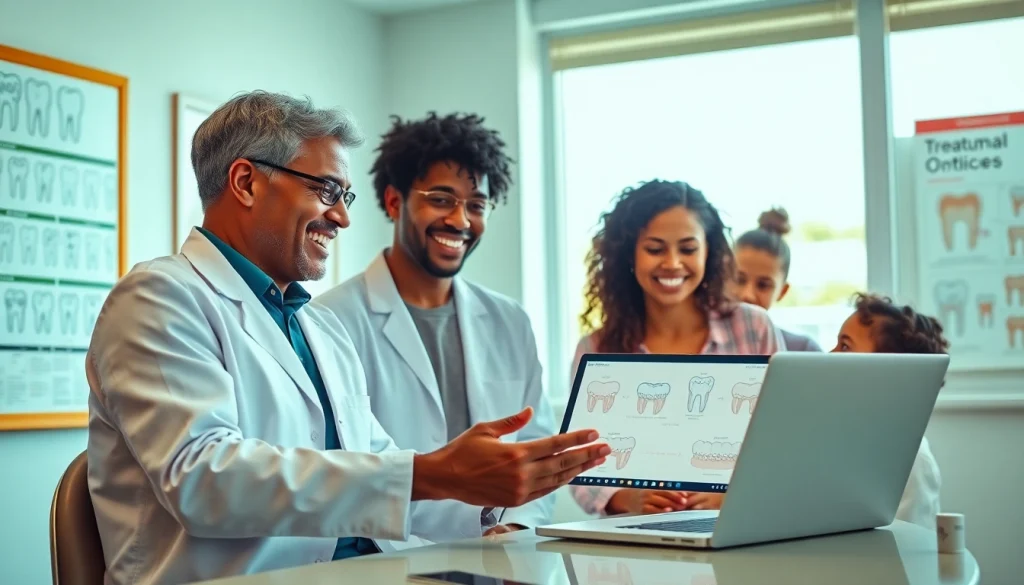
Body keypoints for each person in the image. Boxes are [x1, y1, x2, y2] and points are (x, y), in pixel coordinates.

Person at [85, 91, 609, 585]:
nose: (341, 216)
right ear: (245, 182)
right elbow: (202, 479)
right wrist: (432, 473)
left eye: (344, 195)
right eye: (326, 190)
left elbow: (378, 466)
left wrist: (486, 488)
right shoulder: (158, 297)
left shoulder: (315, 327)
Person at [316, 111, 555, 537]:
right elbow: (334, 467)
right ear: (394, 202)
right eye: (441, 199)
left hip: (500, 559)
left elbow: (536, 446)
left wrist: (517, 525)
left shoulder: (510, 321)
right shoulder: (331, 319)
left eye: (476, 205)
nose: (461, 221)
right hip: (388, 561)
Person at [568, 179, 784, 517]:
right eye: (655, 249)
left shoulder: (754, 328)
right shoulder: (596, 348)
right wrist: (625, 498)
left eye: (687, 249)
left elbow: (783, 441)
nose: (672, 263)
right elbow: (578, 460)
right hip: (636, 542)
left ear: (708, 251)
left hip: (738, 526)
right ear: (629, 254)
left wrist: (733, 497)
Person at [831, 292, 946, 529]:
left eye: (844, 346)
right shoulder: (842, 437)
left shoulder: (914, 462)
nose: (828, 355)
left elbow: (912, 553)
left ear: (889, 371)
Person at [732, 207, 821, 351]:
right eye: (739, 280)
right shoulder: (699, 340)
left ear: (782, 291)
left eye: (763, 285)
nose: (747, 295)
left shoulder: (804, 351)